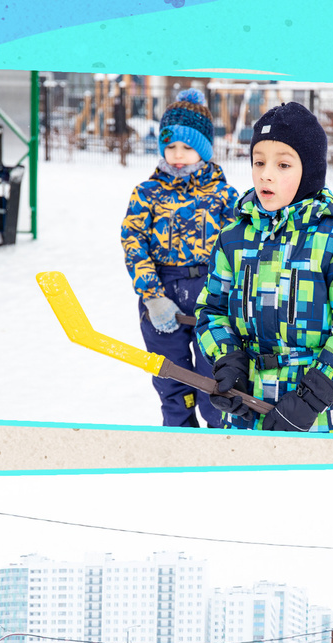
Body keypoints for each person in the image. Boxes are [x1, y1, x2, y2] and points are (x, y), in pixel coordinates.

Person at [197, 102, 333, 433]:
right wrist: (229, 361)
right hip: (245, 408)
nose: (265, 174)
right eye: (259, 162)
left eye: (283, 164)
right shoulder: (232, 239)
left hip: (311, 417)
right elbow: (212, 311)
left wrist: (311, 397)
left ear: (309, 171)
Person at [122, 88, 239, 428]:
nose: (177, 155)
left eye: (187, 147)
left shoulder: (224, 196)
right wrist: (152, 296)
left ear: (204, 149)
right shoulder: (147, 193)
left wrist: (232, 297)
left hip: (211, 296)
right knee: (170, 377)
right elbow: (133, 242)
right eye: (170, 146)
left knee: (214, 380)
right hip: (162, 292)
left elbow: (239, 249)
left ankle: (219, 440)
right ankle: (179, 435)